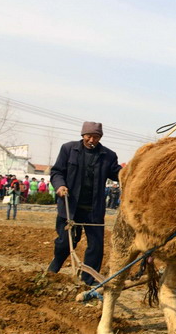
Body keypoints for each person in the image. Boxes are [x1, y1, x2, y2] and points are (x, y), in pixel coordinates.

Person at [47, 122, 121, 285]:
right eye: (89, 136)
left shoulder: (108, 156)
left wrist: (132, 170)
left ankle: (88, 280)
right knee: (65, 242)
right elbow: (57, 172)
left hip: (93, 210)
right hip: (70, 207)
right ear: (83, 135)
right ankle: (54, 267)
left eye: (96, 137)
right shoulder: (68, 149)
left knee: (96, 246)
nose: (92, 140)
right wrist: (60, 185)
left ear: (100, 137)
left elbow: (118, 174)